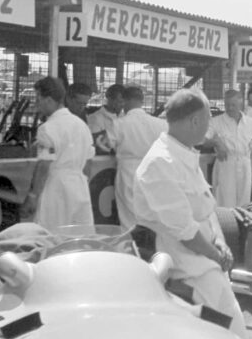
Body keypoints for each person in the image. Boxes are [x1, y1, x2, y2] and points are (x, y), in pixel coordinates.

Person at [133, 88, 247, 338]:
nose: (208, 128)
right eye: (207, 120)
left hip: (207, 266)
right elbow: (185, 232)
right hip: (189, 276)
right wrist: (217, 256)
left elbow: (206, 210)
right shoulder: (161, 163)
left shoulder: (183, 154)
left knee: (232, 337)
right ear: (195, 121)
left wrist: (220, 241)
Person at [21, 77, 94, 230]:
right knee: (79, 237)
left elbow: (44, 165)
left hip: (56, 188)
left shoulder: (48, 128)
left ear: (48, 99)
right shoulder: (81, 125)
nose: (37, 103)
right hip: (79, 187)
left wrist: (33, 196)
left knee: (51, 236)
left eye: (38, 98)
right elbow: (88, 163)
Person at [107, 86, 168, 229]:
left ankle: (133, 248)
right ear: (142, 101)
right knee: (151, 213)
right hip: (153, 171)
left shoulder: (119, 124)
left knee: (129, 217)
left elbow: (107, 144)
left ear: (124, 101)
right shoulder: (160, 124)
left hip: (128, 172)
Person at [206, 89, 252, 207]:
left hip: (245, 163)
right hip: (226, 163)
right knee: (225, 200)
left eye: (233, 105)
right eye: (227, 105)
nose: (230, 108)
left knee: (244, 200)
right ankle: (224, 223)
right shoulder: (216, 122)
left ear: (241, 104)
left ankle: (240, 224)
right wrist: (216, 142)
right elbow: (203, 140)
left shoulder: (251, 123)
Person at [88, 84, 125, 154]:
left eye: (124, 101)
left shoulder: (125, 116)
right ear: (110, 99)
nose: (123, 104)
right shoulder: (95, 118)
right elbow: (93, 142)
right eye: (120, 101)